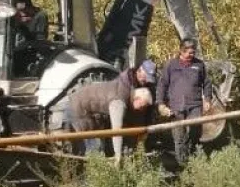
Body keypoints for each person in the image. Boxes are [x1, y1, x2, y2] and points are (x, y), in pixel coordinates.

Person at [64, 60, 157, 164]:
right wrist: (118, 156)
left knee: (98, 147)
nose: (141, 109)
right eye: (142, 106)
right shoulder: (119, 100)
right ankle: (89, 171)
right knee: (94, 149)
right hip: (79, 110)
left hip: (93, 113)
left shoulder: (130, 89)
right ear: (137, 99)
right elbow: (117, 131)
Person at [157, 38, 212, 166]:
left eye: (193, 52)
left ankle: (193, 159)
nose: (192, 55)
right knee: (179, 136)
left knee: (195, 132)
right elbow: (162, 85)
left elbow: (207, 83)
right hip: (176, 106)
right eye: (189, 53)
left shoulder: (199, 65)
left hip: (195, 105)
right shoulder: (171, 65)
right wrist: (161, 103)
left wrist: (207, 99)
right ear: (181, 51)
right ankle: (182, 165)